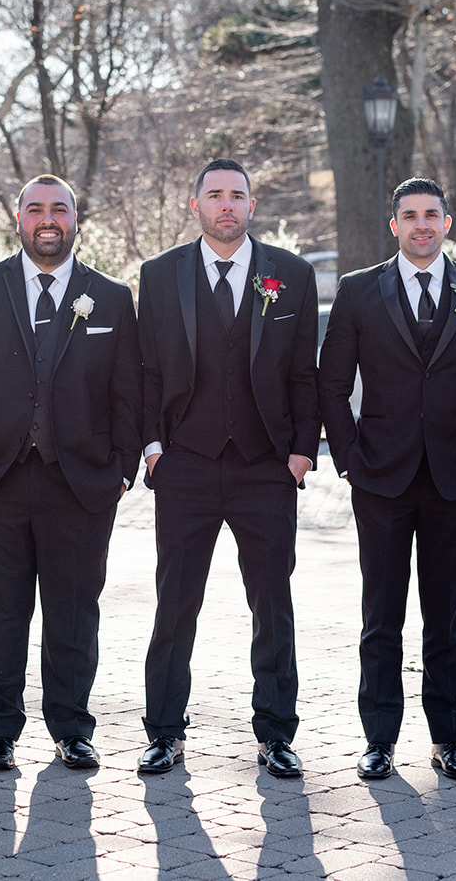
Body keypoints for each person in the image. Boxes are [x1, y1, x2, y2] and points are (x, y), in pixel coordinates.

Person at [0, 174, 141, 771]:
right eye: (35, 209)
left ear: (77, 219)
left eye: (59, 208)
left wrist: (121, 471)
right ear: (18, 218)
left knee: (74, 607)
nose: (47, 218)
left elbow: (126, 390)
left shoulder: (109, 296)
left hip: (80, 481)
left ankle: (72, 727)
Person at [318, 177, 456, 782]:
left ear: (447, 223)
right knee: (381, 614)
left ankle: (450, 738)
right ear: (393, 224)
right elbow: (330, 382)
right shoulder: (358, 290)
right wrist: (347, 457)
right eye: (410, 215)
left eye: (432, 214)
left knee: (447, 614)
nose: (421, 224)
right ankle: (379, 739)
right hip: (378, 475)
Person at [135, 158, 320, 778]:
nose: (226, 206)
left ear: (251, 204)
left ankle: (276, 733)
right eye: (214, 195)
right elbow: (147, 370)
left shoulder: (290, 274)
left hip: (266, 467)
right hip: (184, 465)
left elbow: (303, 371)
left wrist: (300, 452)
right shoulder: (160, 276)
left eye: (237, 196)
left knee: (272, 603)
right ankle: (164, 730)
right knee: (175, 601)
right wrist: (153, 447)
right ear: (196, 206)